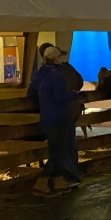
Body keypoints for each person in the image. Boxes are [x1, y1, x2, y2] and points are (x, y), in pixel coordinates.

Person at [29, 46, 81, 193]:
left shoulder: (41, 73)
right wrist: (74, 95)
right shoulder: (56, 74)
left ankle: (58, 181)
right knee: (58, 152)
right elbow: (60, 97)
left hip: (46, 117)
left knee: (55, 151)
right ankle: (42, 182)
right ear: (56, 58)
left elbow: (31, 92)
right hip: (59, 117)